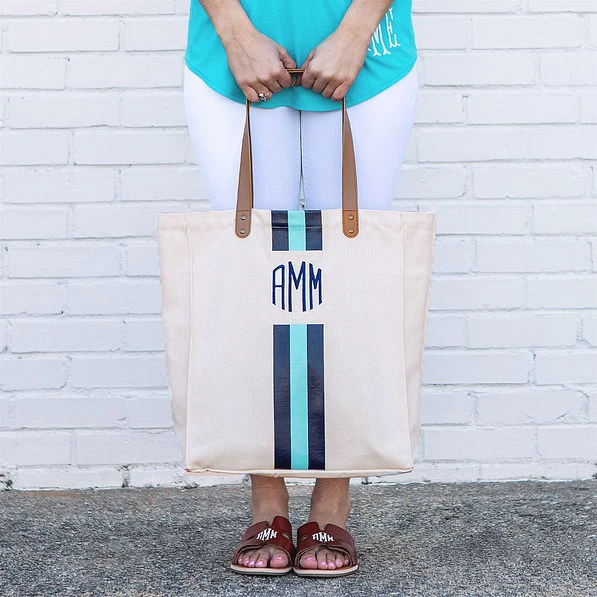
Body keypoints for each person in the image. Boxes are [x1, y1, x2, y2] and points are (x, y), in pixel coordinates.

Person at [182, 0, 418, 577]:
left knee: (351, 283)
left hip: (368, 51)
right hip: (231, 51)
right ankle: (267, 502)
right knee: (253, 284)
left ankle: (331, 504)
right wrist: (235, 32)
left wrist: (356, 31)